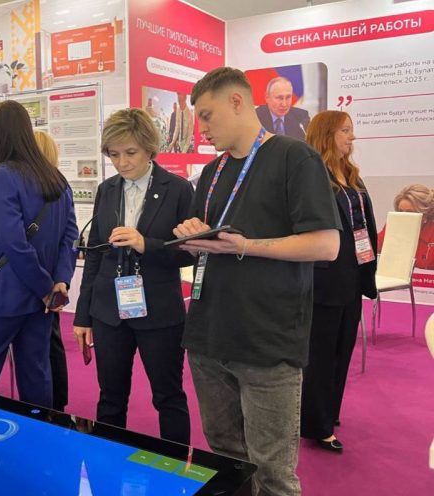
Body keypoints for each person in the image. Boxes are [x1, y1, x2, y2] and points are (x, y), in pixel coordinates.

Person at [173, 67, 341, 495]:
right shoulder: (212, 172)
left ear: (237, 102)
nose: (202, 128)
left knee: (273, 472)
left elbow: (326, 245)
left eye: (207, 115)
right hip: (209, 337)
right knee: (227, 459)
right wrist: (194, 238)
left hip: (267, 341)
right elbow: (210, 243)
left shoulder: (294, 158)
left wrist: (245, 246)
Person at [73, 108, 194, 444]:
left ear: (149, 149)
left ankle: (176, 468)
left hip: (159, 311)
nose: (122, 163)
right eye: (114, 154)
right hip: (109, 312)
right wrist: (83, 316)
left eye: (130, 152)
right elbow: (95, 255)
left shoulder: (178, 189)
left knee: (168, 397)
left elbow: (191, 252)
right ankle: (107, 463)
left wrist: (146, 244)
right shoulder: (107, 189)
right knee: (110, 398)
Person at [0, 101, 78, 408]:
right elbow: (69, 237)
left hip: (5, 294)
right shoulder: (57, 180)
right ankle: (38, 431)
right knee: (36, 375)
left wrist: (45, 287)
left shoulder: (3, 176)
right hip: (41, 301)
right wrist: (59, 282)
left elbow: (13, 243)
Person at [300, 111, 377, 453]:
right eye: (346, 130)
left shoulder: (351, 175)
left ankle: (329, 411)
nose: (352, 137)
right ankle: (317, 425)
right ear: (327, 134)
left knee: (342, 349)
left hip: (353, 275)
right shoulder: (312, 176)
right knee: (320, 353)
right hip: (325, 279)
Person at [34, 130, 70, 411]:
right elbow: (69, 238)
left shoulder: (23, 188)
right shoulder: (62, 186)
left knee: (43, 345)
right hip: (51, 279)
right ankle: (58, 403)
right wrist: (61, 279)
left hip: (32, 280)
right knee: (51, 340)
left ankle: (50, 403)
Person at [377, 184, 434, 270]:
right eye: (400, 211)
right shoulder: (393, 225)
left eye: (410, 212)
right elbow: (372, 251)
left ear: (425, 214)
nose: (404, 217)